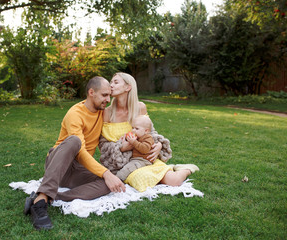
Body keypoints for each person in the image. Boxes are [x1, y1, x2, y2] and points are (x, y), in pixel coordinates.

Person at [23, 76, 126, 230]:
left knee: (109, 184)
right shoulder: (75, 114)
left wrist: (154, 143)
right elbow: (80, 153)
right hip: (59, 163)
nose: (108, 99)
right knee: (74, 141)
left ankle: (53, 197)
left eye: (109, 95)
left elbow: (129, 111)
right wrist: (105, 172)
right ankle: (41, 201)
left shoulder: (102, 112)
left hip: (78, 170)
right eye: (104, 95)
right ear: (91, 92)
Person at [99, 72, 199, 192]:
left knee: (175, 181)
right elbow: (102, 144)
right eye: (111, 82)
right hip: (122, 163)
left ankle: (185, 169)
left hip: (144, 157)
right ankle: (167, 171)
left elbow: (150, 132)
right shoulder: (106, 112)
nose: (111, 85)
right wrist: (121, 148)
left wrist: (159, 145)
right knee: (141, 180)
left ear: (128, 87)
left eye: (115, 82)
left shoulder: (140, 107)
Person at [116, 115, 154, 181]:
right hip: (135, 160)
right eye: (132, 128)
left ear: (146, 131)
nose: (133, 130)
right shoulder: (137, 137)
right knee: (126, 166)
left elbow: (144, 149)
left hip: (143, 161)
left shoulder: (148, 138)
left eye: (136, 129)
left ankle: (117, 179)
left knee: (127, 169)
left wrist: (134, 142)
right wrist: (123, 140)